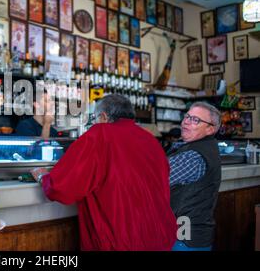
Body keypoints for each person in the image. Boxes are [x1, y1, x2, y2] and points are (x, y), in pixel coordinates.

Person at [31, 94, 177, 250]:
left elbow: (63, 188)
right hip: (160, 236)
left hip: (119, 240)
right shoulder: (150, 140)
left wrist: (42, 177)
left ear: (103, 116)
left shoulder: (100, 134)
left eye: (94, 118)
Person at [168, 102, 222, 251]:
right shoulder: (201, 146)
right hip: (190, 237)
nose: (186, 121)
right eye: (187, 116)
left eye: (195, 120)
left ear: (210, 129)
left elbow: (152, 181)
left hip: (184, 240)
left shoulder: (193, 156)